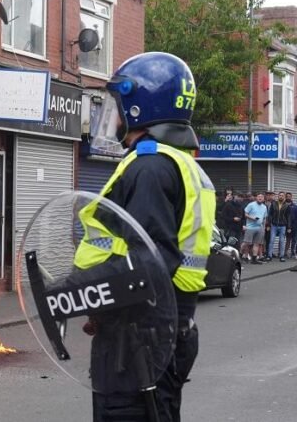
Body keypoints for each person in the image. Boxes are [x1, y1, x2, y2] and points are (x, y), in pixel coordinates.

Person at [84, 52, 214, 421]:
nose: (116, 115)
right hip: (161, 328)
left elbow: (149, 261)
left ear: (140, 106)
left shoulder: (151, 168)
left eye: (120, 104)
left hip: (138, 340)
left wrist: (80, 289)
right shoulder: (179, 163)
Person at [243, 193, 268, 264]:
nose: (260, 198)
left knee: (257, 243)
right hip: (250, 227)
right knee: (247, 243)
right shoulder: (251, 205)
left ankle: (254, 259)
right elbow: (245, 214)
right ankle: (245, 256)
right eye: (259, 196)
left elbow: (264, 218)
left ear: (263, 199)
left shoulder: (264, 207)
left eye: (262, 197)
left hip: (260, 227)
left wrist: (263, 228)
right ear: (256, 198)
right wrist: (253, 218)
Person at [266, 191, 290, 262]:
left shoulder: (287, 205)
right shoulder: (273, 204)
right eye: (280, 195)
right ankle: (269, 256)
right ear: (278, 196)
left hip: (283, 226)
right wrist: (268, 225)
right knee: (272, 240)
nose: (281, 196)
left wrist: (289, 227)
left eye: (282, 195)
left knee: (282, 241)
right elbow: (270, 215)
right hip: (274, 225)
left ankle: (281, 256)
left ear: (284, 197)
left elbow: (289, 217)